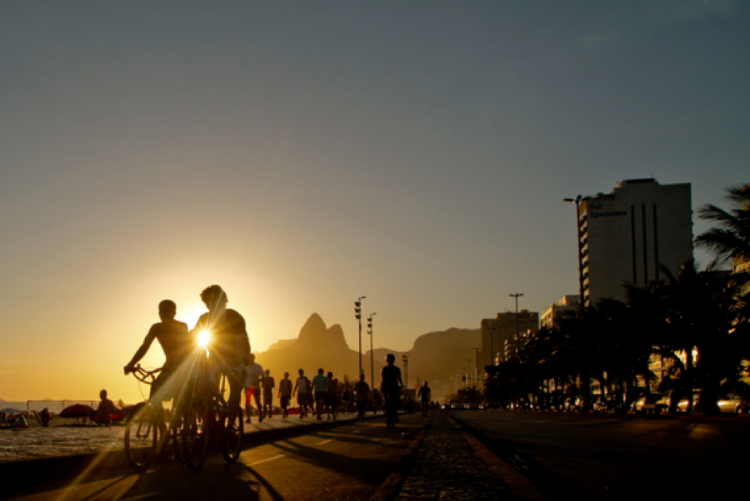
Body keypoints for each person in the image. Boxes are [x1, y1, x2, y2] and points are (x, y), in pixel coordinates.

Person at [124, 300, 190, 435]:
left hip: (183, 365)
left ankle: (177, 416)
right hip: (169, 366)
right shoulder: (156, 328)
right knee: (155, 391)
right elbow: (144, 347)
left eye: (167, 310)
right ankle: (163, 431)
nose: (164, 313)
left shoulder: (182, 326)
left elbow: (185, 347)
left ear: (174, 313)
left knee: (177, 388)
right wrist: (131, 364)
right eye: (161, 311)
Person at [193, 285, 250, 426]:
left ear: (222, 300)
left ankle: (231, 424)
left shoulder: (234, 316)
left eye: (212, 301)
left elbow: (241, 341)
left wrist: (238, 360)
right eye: (206, 302)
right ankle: (210, 420)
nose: (209, 305)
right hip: (216, 357)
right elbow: (193, 336)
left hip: (238, 356)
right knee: (206, 387)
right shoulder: (204, 318)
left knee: (235, 387)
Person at [381, 353, 404, 428]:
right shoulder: (396, 369)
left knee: (385, 399)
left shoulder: (384, 369)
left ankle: (384, 408)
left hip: (387, 387)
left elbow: (383, 379)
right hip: (394, 387)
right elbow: (399, 379)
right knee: (396, 401)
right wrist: (401, 385)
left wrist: (382, 387)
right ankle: (395, 411)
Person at [245, 353, 264, 423]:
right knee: (247, 402)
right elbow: (243, 376)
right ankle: (248, 417)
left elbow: (263, 376)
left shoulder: (258, 366)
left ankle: (260, 415)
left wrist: (258, 381)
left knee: (257, 402)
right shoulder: (246, 367)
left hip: (256, 387)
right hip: (247, 386)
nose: (250, 359)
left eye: (251, 358)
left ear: (254, 358)